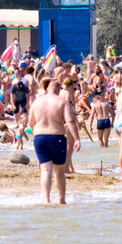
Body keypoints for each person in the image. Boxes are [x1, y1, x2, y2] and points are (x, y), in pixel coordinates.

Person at [29, 76, 81, 204]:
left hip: (40, 137)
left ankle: (46, 201)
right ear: (58, 89)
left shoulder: (36, 102)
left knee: (45, 171)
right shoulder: (61, 102)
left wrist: (37, 133)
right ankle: (61, 200)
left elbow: (31, 123)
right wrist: (77, 139)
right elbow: (70, 121)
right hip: (56, 136)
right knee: (59, 172)